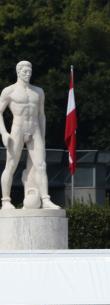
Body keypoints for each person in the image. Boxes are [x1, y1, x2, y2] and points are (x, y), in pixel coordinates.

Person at [0, 61, 59, 210]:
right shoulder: (9, 91)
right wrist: (3, 133)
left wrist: (43, 136)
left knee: (41, 165)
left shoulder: (38, 91)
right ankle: (6, 200)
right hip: (17, 129)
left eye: (30, 72)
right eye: (25, 72)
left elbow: (41, 115)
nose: (28, 74)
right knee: (11, 165)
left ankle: (45, 199)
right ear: (18, 72)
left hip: (35, 130)